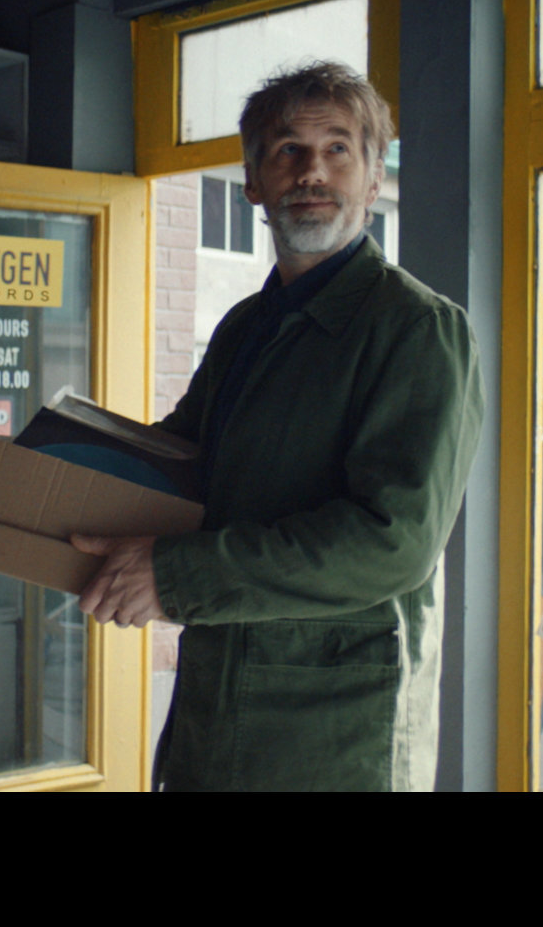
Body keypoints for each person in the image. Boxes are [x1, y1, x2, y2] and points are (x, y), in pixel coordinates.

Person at [71, 61, 485, 791]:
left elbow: (393, 542)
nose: (311, 171)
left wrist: (173, 575)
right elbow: (181, 461)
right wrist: (44, 481)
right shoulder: (246, 327)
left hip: (335, 738)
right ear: (253, 182)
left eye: (337, 150)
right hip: (214, 710)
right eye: (288, 150)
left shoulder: (416, 329)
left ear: (374, 178)